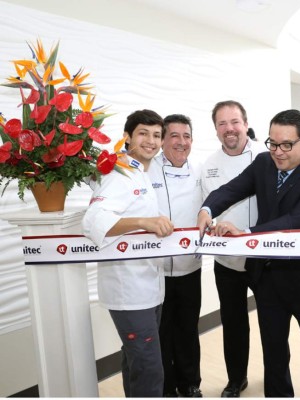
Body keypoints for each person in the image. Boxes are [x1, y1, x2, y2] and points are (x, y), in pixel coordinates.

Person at [198, 109, 300, 397]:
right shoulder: (263, 164)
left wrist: (248, 233)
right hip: (269, 280)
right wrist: (207, 208)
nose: (278, 151)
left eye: (287, 144)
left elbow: (296, 220)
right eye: (273, 143)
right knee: (274, 355)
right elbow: (231, 189)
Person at [83, 109, 174, 397]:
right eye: (143, 133)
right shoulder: (119, 174)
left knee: (137, 361)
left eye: (157, 135)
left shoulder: (140, 172)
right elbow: (93, 221)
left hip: (149, 286)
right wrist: (144, 222)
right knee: (149, 368)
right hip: (129, 291)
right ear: (127, 137)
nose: (151, 141)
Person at [200, 100, 264, 397]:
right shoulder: (209, 166)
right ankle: (236, 379)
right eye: (222, 124)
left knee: (272, 323)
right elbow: (207, 208)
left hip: (263, 258)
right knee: (234, 324)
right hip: (226, 261)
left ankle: (277, 377)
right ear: (215, 130)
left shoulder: (264, 157)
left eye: (235, 121)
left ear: (246, 123)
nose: (230, 129)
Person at [148, 114, 203, 397]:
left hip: (190, 267)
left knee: (188, 330)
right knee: (161, 332)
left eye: (187, 136)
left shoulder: (199, 171)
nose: (182, 142)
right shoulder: (147, 170)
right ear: (162, 140)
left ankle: (190, 383)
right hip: (155, 270)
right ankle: (166, 388)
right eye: (174, 136)